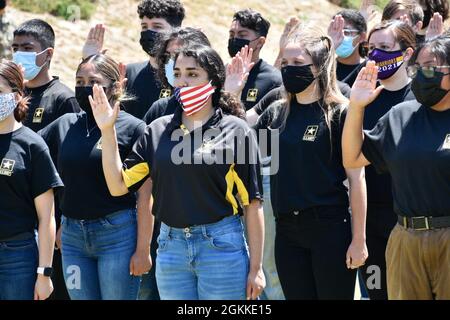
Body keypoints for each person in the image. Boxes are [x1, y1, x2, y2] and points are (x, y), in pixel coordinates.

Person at [91, 44, 266, 300]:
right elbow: (118, 186)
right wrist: (107, 131)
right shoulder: (157, 129)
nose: (183, 81)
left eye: (193, 74)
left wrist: (256, 268)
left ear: (214, 81)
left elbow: (253, 204)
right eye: (178, 74)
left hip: (221, 247)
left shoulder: (236, 130)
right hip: (170, 247)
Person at [254, 23, 367, 300]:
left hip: (329, 229)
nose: (289, 68)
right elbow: (243, 152)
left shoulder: (339, 113)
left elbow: (356, 179)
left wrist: (358, 240)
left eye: (298, 63)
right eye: (285, 62)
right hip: (287, 232)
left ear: (318, 68)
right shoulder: (276, 114)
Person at [342, 35, 450, 300]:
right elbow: (353, 158)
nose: (421, 76)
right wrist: (356, 106)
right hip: (406, 237)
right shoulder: (402, 115)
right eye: (418, 68)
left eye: (430, 68)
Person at [39, 54, 152, 300]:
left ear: (116, 86)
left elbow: (145, 196)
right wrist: (61, 225)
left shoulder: (134, 128)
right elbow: (29, 150)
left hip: (117, 235)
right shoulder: (64, 124)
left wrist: (143, 249)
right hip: (72, 238)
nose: (84, 87)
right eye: (79, 80)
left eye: (93, 80)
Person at [357, 20, 416, 300]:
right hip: (369, 221)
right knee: (377, 293)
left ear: (407, 53)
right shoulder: (361, 97)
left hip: (409, 221)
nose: (375, 55)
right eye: (370, 48)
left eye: (384, 47)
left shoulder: (421, 99)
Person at [0, 60, 63, 300]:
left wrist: (44, 273)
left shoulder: (32, 145)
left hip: (17, 256)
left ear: (16, 96)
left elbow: (47, 216)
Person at [12, 19, 80, 132]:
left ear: (48, 54)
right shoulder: (11, 94)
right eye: (15, 49)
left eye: (27, 48)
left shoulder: (64, 99)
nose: (19, 54)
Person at [143, 27, 211, 125]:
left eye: (177, 55)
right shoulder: (160, 109)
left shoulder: (220, 111)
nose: (171, 62)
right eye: (167, 56)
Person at [228, 9, 282, 111]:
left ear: (260, 42)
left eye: (242, 35)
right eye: (231, 35)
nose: (234, 39)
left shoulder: (273, 80)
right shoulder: (221, 73)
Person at [328, 10, 368, 87]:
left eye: (346, 32)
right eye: (336, 31)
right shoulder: (325, 66)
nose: (340, 37)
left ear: (362, 37)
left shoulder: (368, 70)